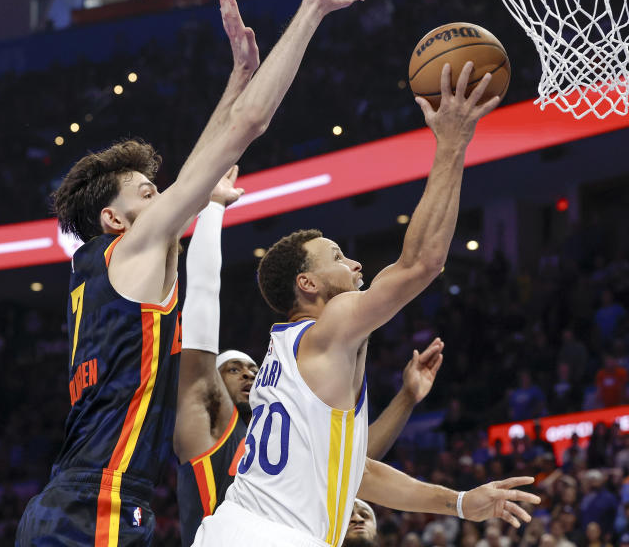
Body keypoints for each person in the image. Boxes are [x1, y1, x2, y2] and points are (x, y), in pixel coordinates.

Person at [17, 0, 362, 543]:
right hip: (101, 504)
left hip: (71, 499)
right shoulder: (136, 249)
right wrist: (314, 6)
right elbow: (249, 127)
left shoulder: (100, 267)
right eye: (149, 194)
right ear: (114, 220)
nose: (169, 197)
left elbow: (203, 167)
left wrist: (236, 78)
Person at [195, 8, 537, 544]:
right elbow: (422, 264)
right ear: (306, 285)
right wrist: (451, 144)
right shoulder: (327, 329)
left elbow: (362, 472)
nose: (354, 263)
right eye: (335, 255)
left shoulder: (298, 358)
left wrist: (460, 502)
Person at [173, 180, 446, 546]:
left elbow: (352, 464)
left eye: (250, 368)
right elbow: (202, 307)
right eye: (233, 369)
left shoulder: (285, 396)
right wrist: (213, 209)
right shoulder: (209, 431)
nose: (248, 374)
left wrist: (407, 398)